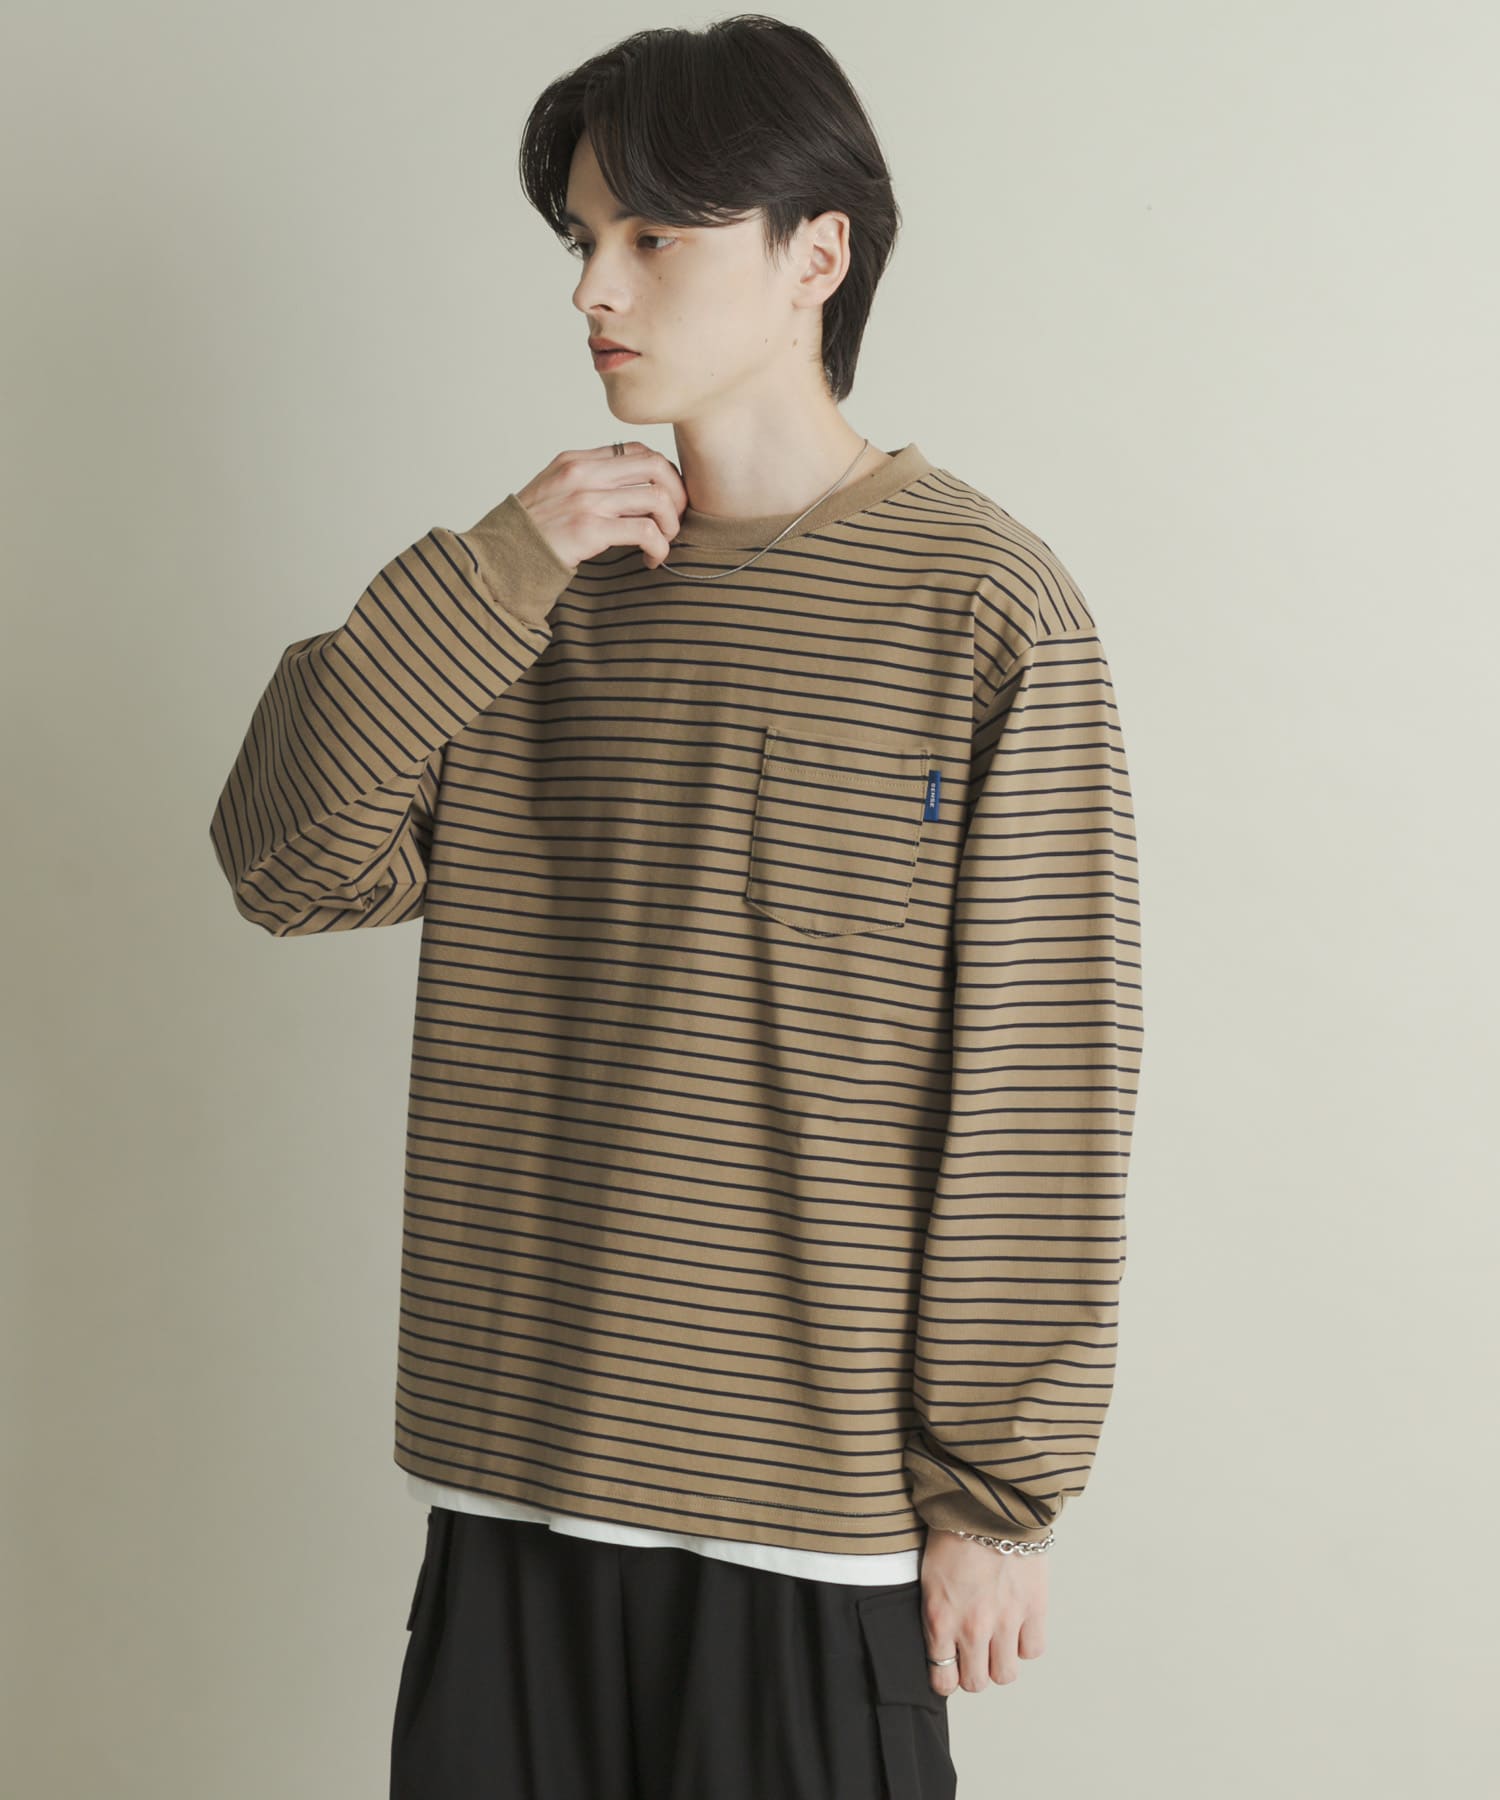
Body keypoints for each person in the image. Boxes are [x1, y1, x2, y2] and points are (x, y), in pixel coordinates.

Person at [207, 15, 1145, 1798]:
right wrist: (500, 565)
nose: (594, 289)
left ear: (816, 255)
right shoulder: (532, 593)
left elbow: (1042, 1082)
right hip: (510, 1482)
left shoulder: (984, 607)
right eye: (583, 238)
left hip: (809, 1524)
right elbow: (284, 861)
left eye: (654, 235)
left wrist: (994, 1499)